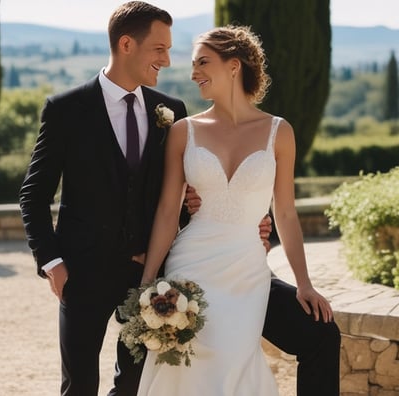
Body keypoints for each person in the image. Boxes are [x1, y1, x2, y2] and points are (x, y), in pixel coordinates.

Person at [19, 2, 339, 395]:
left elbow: (194, 199)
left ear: (234, 66)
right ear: (126, 44)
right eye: (161, 49)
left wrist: (242, 219)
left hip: (173, 267)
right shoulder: (69, 109)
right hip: (90, 272)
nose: (172, 64)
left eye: (189, 57)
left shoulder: (169, 111)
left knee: (136, 382)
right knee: (81, 383)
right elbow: (34, 195)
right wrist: (53, 263)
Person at [137, 25, 339, 395]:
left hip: (247, 270)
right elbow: (168, 212)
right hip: (191, 266)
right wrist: (148, 283)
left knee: (243, 355)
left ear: (233, 66)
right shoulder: (184, 132)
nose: (193, 72)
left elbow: (286, 214)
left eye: (202, 62)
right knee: (192, 366)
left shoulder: (279, 132)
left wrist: (304, 283)